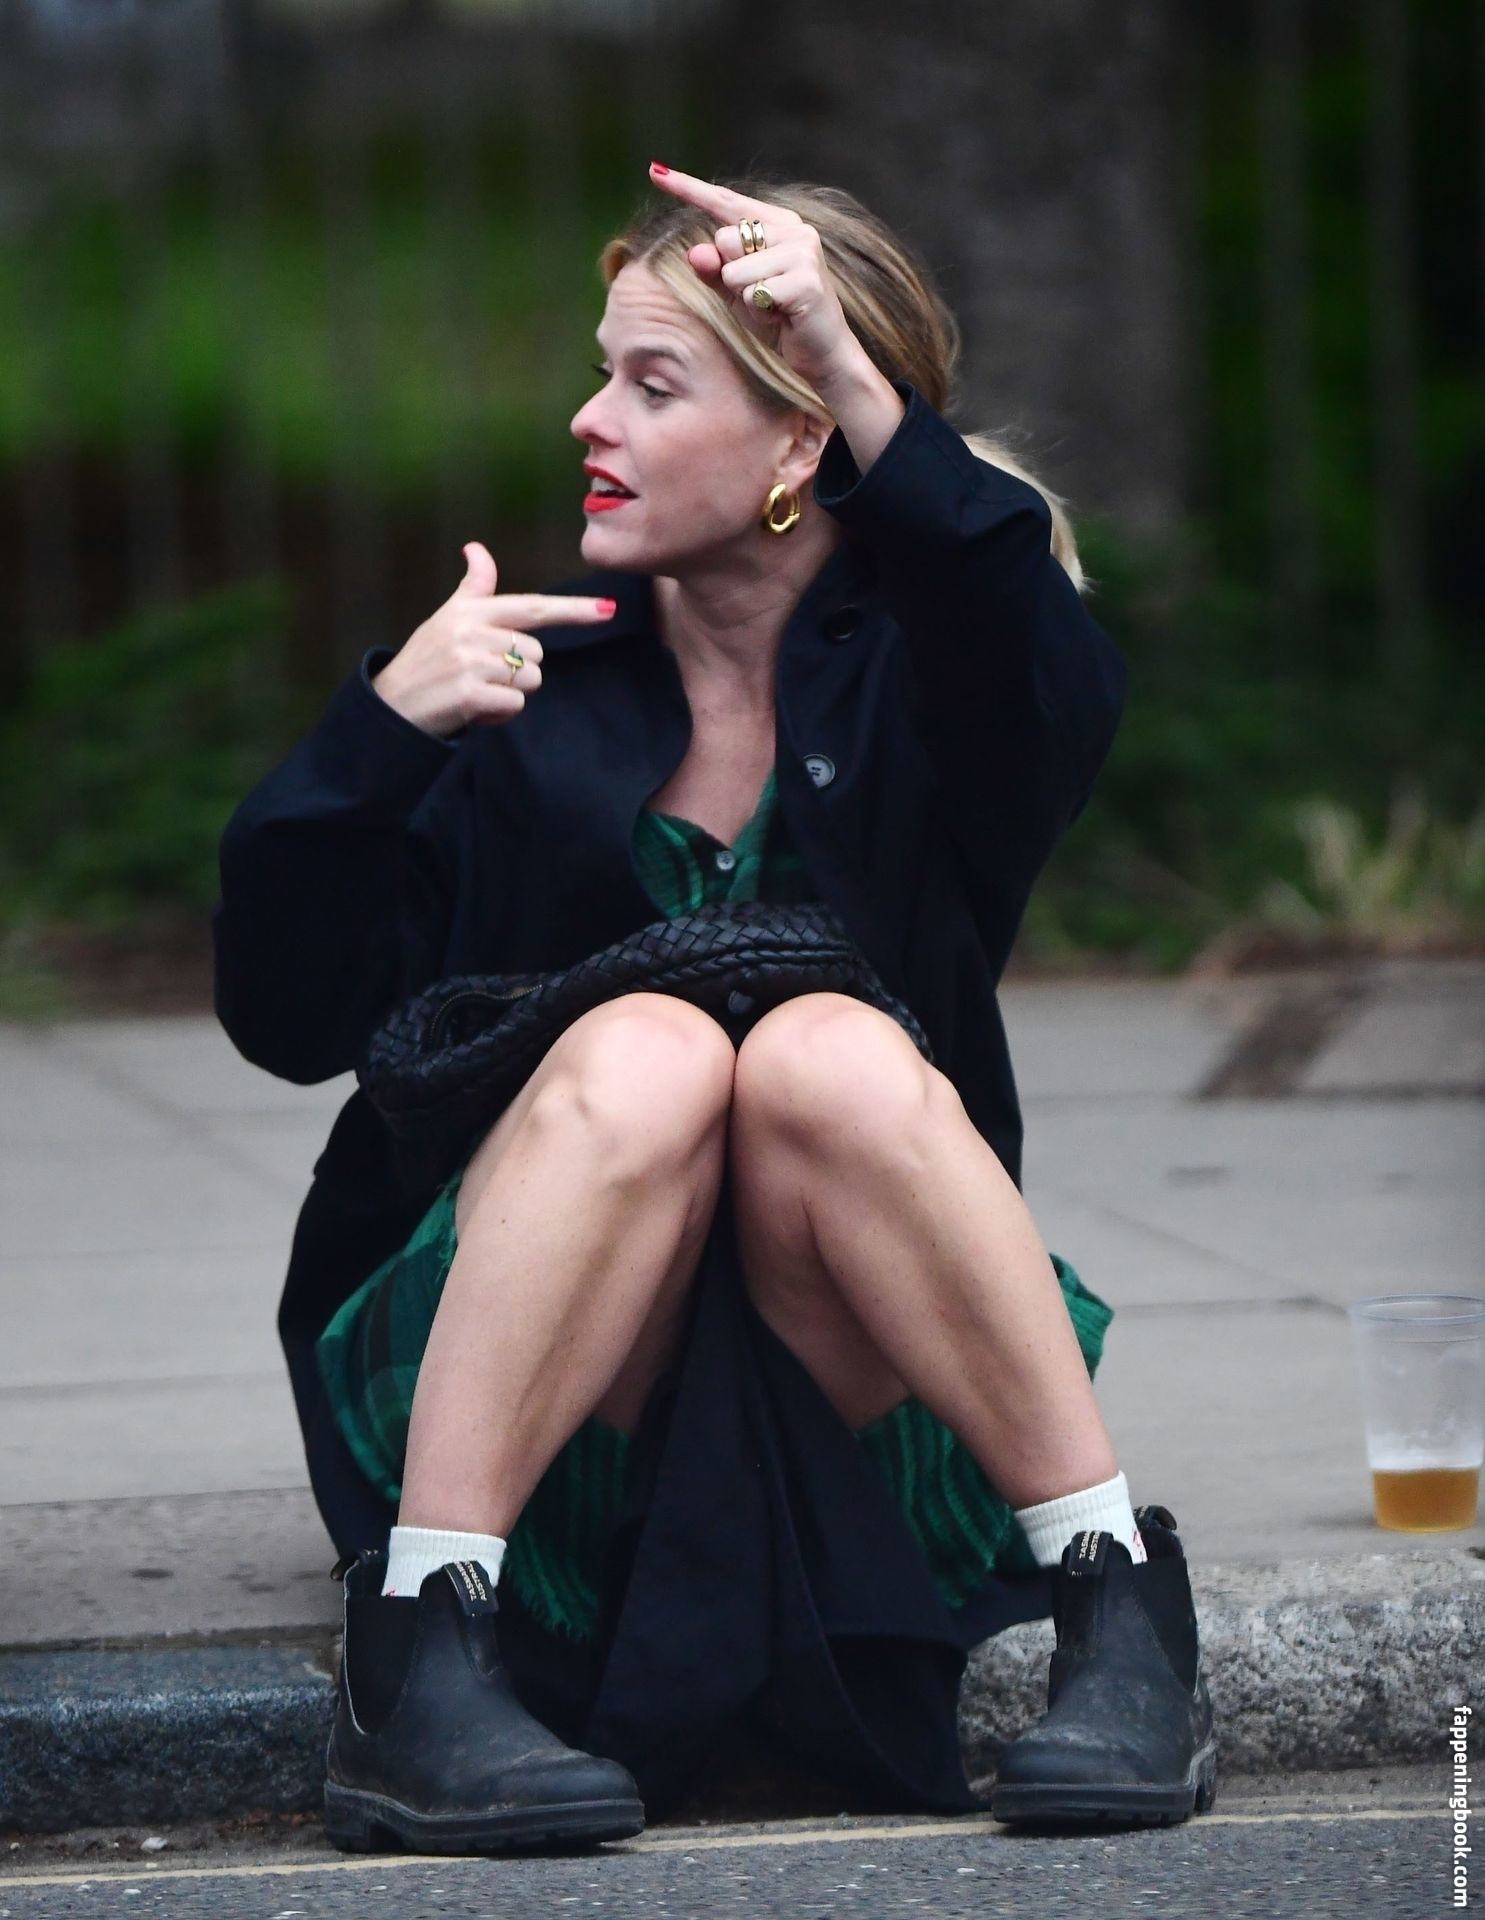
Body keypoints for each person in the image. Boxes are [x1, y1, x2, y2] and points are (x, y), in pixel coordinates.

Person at [212, 162, 1216, 1854]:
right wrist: (376, 737)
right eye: (599, 371)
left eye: (651, 383)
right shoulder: (520, 687)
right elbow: (289, 1017)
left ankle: (1116, 1609)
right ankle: (421, 1647)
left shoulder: (938, 687)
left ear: (797, 444)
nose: (587, 419)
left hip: (865, 1359)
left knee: (823, 1055)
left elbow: (1048, 674)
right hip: (536, 1405)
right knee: (651, 1049)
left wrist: (847, 362)